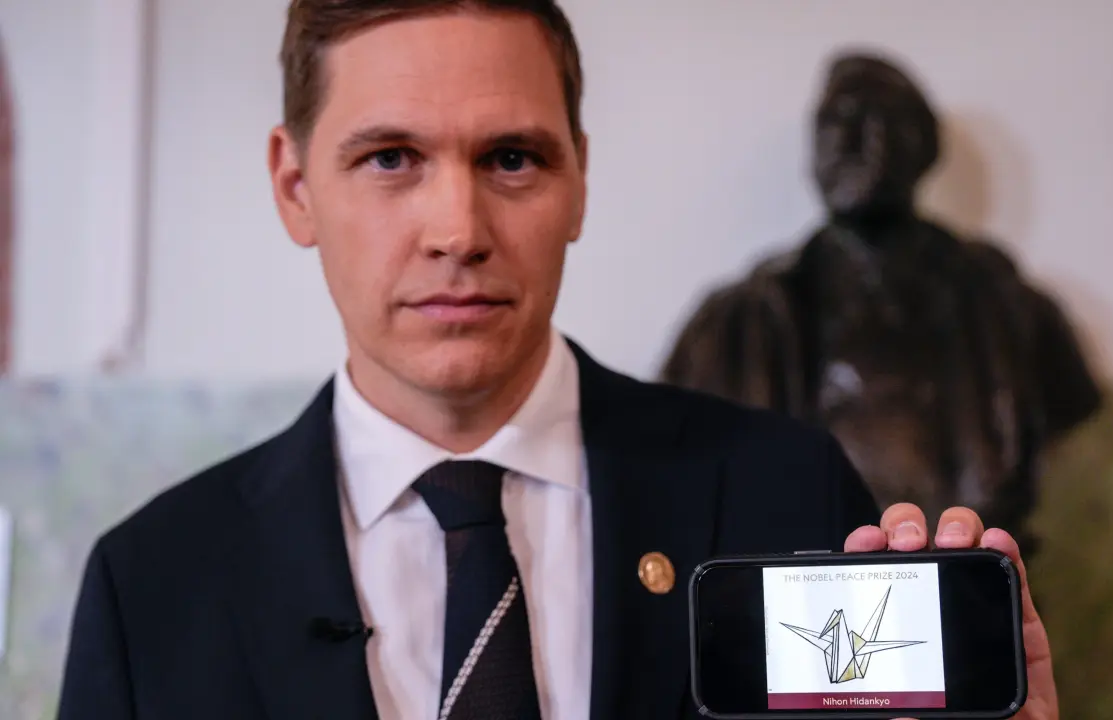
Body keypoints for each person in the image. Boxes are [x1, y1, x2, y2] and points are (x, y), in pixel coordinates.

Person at [56, 2, 1058, 719]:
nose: (458, 231)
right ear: (294, 186)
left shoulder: (785, 490)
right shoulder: (153, 588)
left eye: (511, 159)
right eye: (390, 159)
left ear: (577, 178)